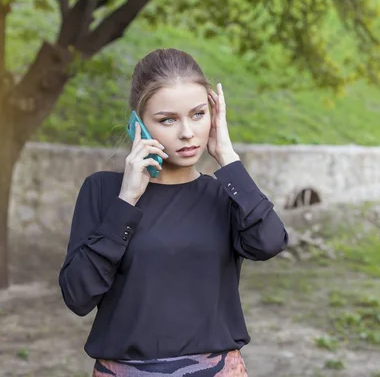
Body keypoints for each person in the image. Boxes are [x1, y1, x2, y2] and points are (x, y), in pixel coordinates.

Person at [58, 48, 289, 377]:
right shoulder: (103, 192)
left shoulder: (224, 193)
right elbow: (78, 295)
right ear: (137, 123)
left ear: (214, 114)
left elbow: (269, 242)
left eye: (198, 114)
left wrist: (228, 157)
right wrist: (126, 201)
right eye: (168, 119)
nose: (187, 133)